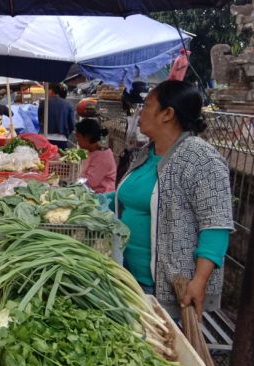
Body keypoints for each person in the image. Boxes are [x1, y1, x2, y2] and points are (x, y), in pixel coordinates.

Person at [113, 80, 232, 319]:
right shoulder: (147, 153)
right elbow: (128, 198)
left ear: (167, 114)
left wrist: (199, 281)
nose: (140, 112)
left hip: (168, 287)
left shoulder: (201, 159)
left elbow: (216, 225)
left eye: (146, 106)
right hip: (128, 276)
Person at [74, 119, 116, 193]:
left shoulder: (102, 156)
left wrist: (72, 186)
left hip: (101, 195)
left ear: (87, 137)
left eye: (78, 136)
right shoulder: (92, 152)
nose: (77, 140)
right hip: (91, 192)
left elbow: (91, 182)